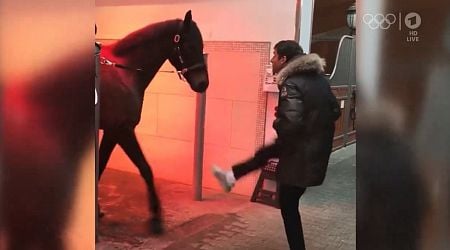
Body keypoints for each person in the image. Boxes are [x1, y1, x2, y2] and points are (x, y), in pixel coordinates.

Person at [212, 40, 341, 250]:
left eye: (274, 55)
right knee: (266, 154)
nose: (272, 59)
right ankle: (231, 177)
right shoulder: (319, 80)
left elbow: (289, 124)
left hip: (300, 152)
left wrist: (278, 119)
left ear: (283, 59)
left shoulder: (292, 82)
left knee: (288, 205)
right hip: (311, 149)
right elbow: (335, 111)